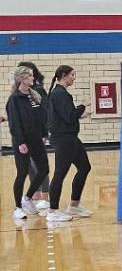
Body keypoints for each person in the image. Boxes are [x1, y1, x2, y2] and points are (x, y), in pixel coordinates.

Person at [44, 65, 93, 222]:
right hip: (64, 139)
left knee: (85, 167)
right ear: (64, 76)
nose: (74, 78)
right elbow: (70, 116)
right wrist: (83, 105)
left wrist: (80, 115)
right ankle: (52, 211)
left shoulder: (59, 94)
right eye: (72, 75)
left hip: (70, 138)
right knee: (60, 173)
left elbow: (64, 116)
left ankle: (74, 205)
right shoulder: (60, 94)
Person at [7, 66, 50, 220]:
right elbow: (14, 123)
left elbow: (41, 117)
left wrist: (44, 134)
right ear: (22, 79)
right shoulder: (14, 99)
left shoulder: (34, 96)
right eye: (30, 76)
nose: (33, 78)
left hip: (37, 139)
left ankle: (28, 198)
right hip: (22, 142)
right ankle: (18, 207)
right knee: (22, 172)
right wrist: (20, 142)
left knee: (44, 169)